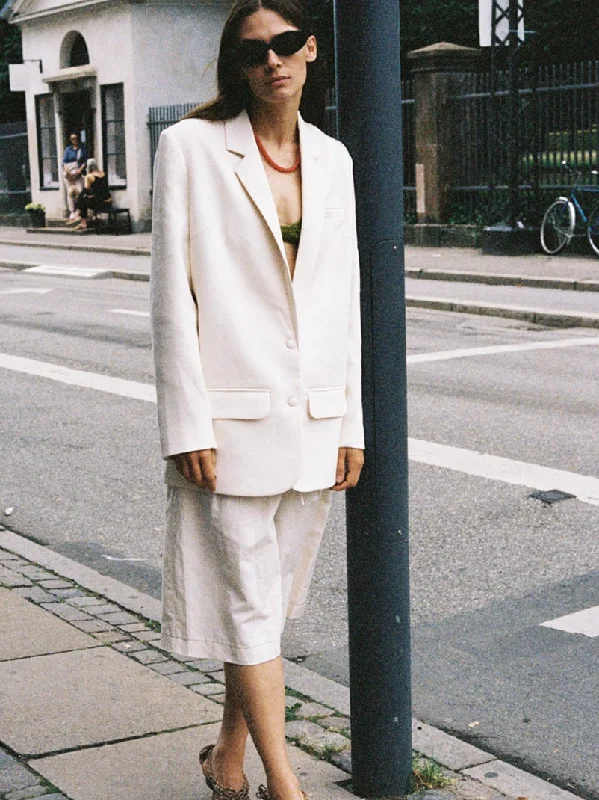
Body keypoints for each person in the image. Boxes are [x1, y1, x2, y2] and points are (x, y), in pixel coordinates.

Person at [150, 2, 363, 799]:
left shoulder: (334, 161)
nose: (270, 61)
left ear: (309, 50)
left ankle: (227, 759)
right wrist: (185, 423)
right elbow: (173, 296)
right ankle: (285, 786)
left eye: (283, 45)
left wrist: (350, 420)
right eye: (251, 51)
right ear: (234, 65)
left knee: (263, 613)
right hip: (227, 426)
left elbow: (342, 299)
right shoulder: (191, 148)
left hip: (312, 423)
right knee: (248, 607)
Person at [69, 158, 112, 230]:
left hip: (99, 203)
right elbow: (99, 188)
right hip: (108, 202)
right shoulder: (103, 173)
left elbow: (86, 190)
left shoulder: (89, 176)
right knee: (84, 198)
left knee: (82, 199)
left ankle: (81, 220)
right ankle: (78, 213)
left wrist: (86, 179)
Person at [62, 132, 88, 220]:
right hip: (69, 172)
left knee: (79, 191)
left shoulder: (82, 149)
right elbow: (64, 162)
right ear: (70, 140)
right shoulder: (68, 149)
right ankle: (72, 211)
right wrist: (67, 172)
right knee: (70, 192)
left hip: (78, 172)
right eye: (73, 139)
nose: (75, 140)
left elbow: (85, 161)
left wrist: (79, 170)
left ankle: (79, 210)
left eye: (76, 138)